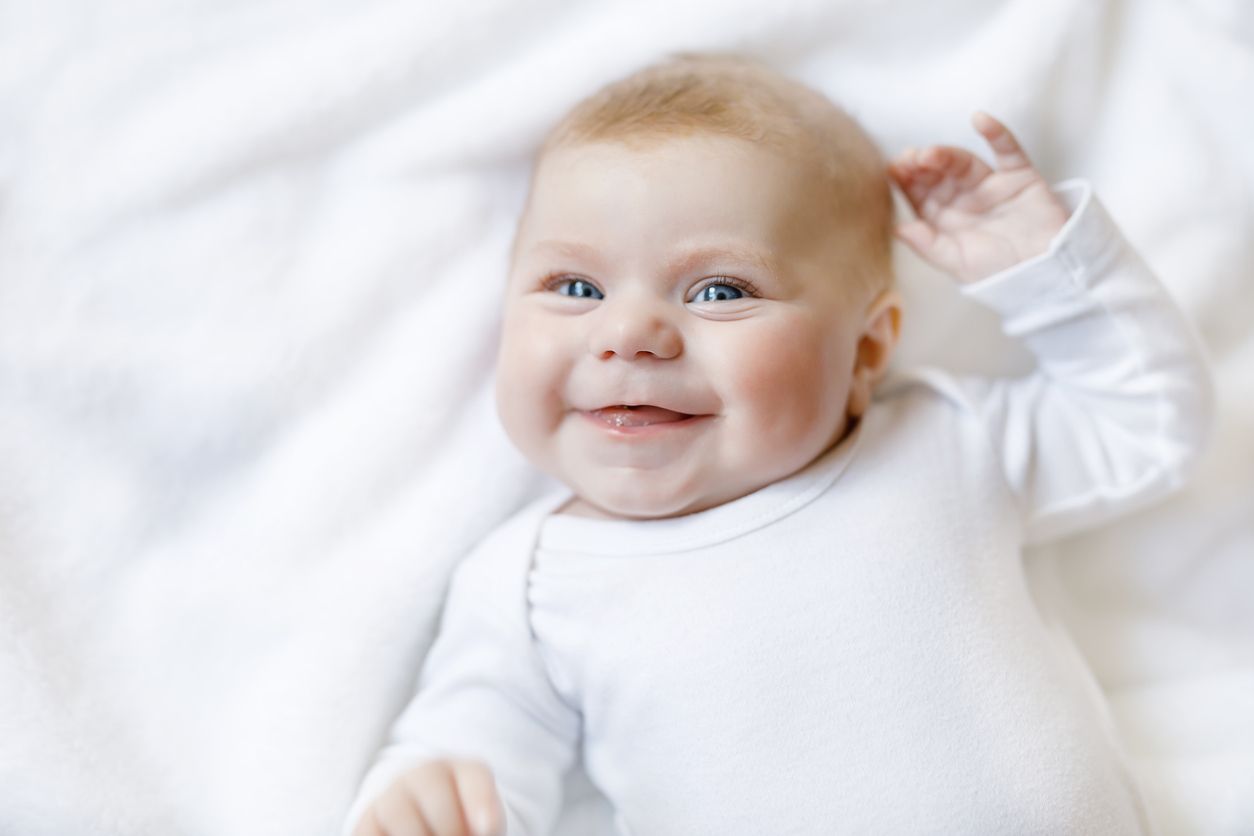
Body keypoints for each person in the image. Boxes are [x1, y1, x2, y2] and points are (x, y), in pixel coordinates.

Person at [345, 53, 1213, 836]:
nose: (632, 333)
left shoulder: (942, 443)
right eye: (576, 285)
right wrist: (429, 796)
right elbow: (470, 751)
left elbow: (1148, 426)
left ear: (867, 350)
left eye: (720, 290)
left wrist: (1050, 273)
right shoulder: (532, 583)